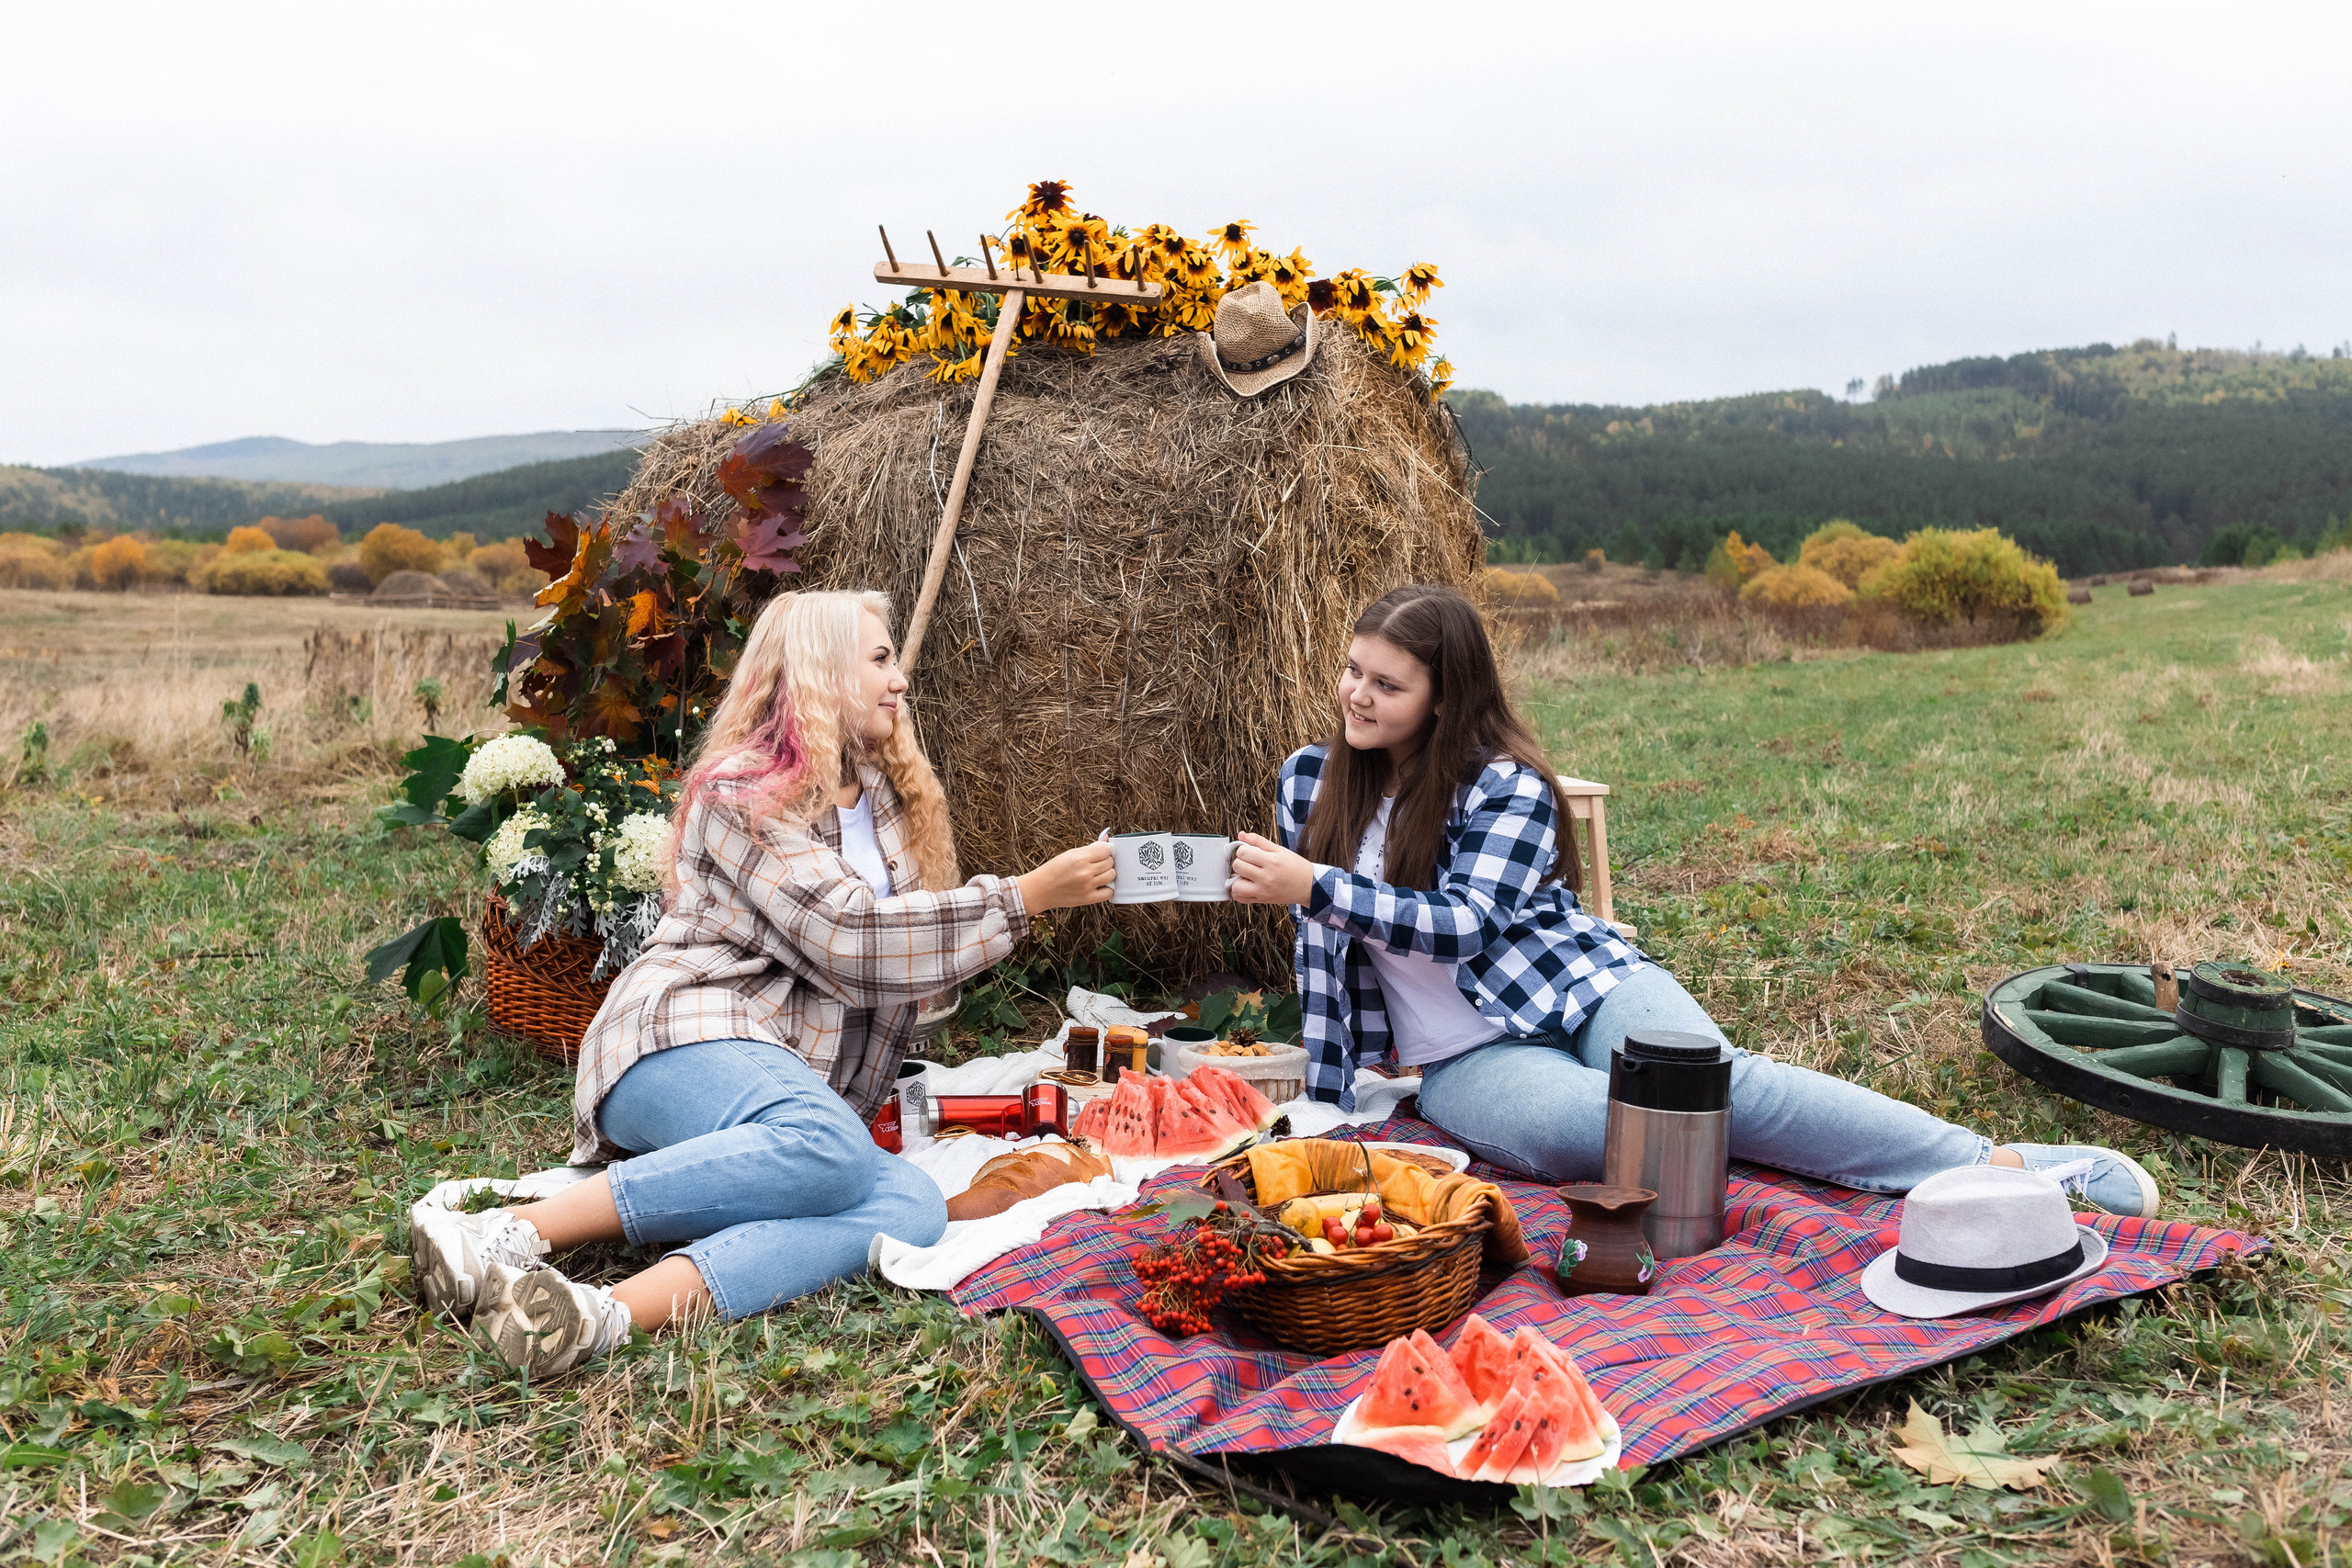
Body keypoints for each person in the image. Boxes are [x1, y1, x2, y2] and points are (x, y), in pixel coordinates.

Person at [1227, 584, 2160, 1218]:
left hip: (1576, 981)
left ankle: (1995, 1169)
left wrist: (1316, 883)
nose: (1356, 694)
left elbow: (1465, 925)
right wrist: (1326, 1093)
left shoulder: (1501, 783)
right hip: (1462, 1051)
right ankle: (1762, 1159)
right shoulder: (1308, 781)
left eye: (1386, 683)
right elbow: (1324, 955)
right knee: (1587, 1127)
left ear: (1442, 697)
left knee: (1710, 1080)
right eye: (1353, 670)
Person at [410, 590, 1117, 1374]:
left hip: (784, 1078)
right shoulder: (742, 793)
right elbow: (852, 939)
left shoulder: (884, 803)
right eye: (880, 659)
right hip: (678, 1035)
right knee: (830, 1147)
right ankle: (512, 1233)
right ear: (821, 670)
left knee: (910, 1205)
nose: (900, 680)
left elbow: (898, 963)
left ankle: (599, 1315)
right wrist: (1025, 897)